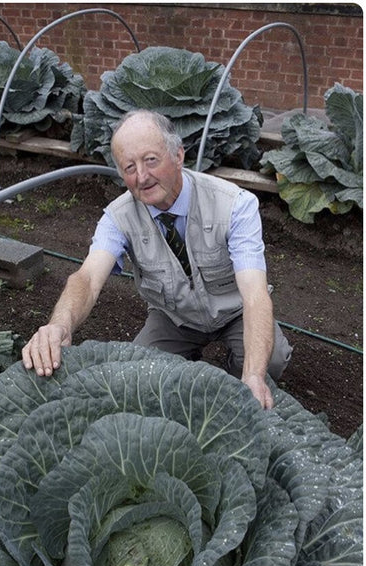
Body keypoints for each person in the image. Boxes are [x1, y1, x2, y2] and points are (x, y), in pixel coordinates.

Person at [22, 109, 292, 409]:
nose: (142, 177)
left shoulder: (234, 205)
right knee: (139, 379)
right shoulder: (118, 217)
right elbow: (87, 279)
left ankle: (232, 381)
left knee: (271, 362)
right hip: (173, 318)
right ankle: (186, 371)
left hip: (235, 313)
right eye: (129, 167)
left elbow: (255, 295)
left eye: (151, 160)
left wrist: (252, 374)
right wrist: (59, 326)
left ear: (178, 155)